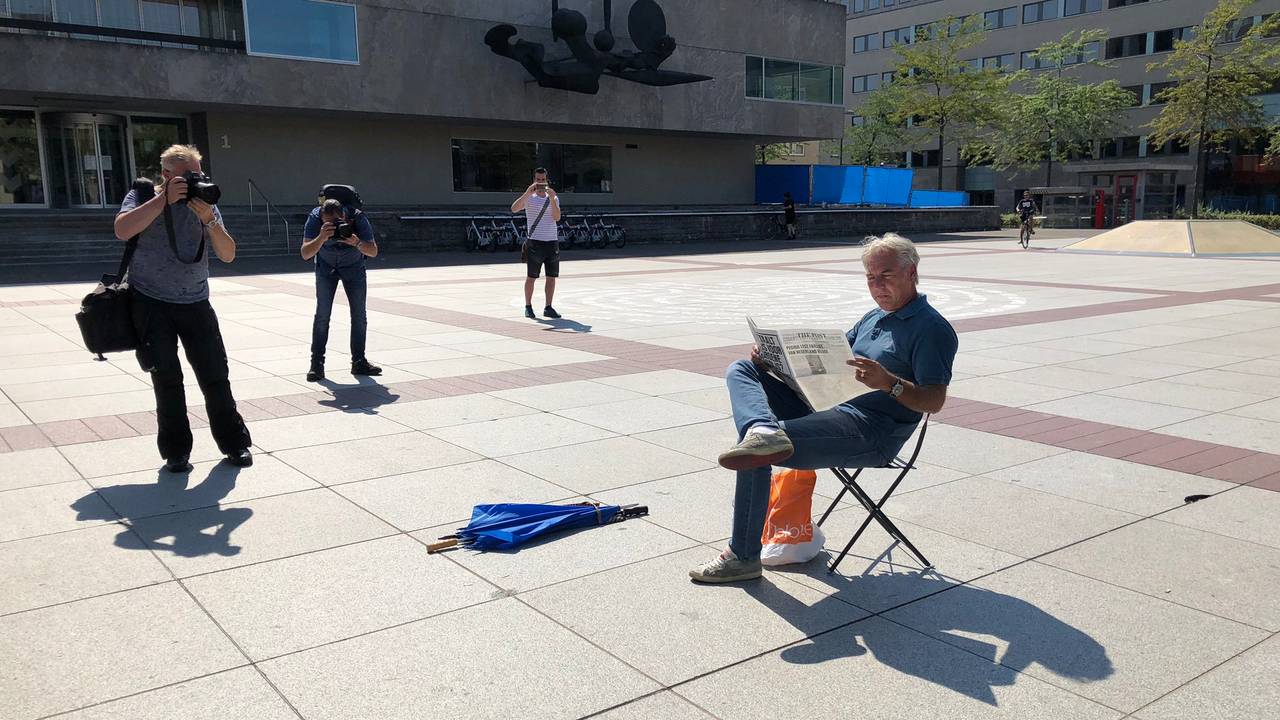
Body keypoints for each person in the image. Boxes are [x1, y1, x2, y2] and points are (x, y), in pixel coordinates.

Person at [690, 233, 958, 583]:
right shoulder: (873, 317)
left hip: (871, 429)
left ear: (912, 272)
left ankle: (742, 556)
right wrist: (775, 362)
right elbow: (835, 360)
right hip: (830, 405)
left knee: (756, 452)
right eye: (870, 278)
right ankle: (762, 427)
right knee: (743, 369)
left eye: (886, 275)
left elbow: (934, 401)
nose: (877, 286)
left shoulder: (931, 329)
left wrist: (888, 382)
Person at [113, 144, 252, 472]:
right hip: (151, 303)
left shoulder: (203, 201)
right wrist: (162, 200)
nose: (194, 180)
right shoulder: (143, 194)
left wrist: (209, 221)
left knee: (216, 377)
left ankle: (235, 444)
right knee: (167, 381)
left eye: (198, 173)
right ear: (166, 174)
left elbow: (229, 254)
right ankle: (176, 452)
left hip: (195, 302)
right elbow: (122, 230)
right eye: (186, 175)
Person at [300, 197, 381, 382]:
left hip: (354, 268)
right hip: (326, 268)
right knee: (322, 315)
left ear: (343, 215)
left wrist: (356, 242)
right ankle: (316, 365)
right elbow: (305, 253)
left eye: (336, 223)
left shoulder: (357, 218)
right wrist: (321, 236)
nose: (333, 227)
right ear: (321, 216)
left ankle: (359, 361)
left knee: (359, 315)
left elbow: (373, 251)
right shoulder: (314, 218)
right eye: (327, 223)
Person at [511, 167, 562, 319]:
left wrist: (552, 199)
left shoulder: (553, 197)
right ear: (534, 180)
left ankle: (548, 307)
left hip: (551, 242)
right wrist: (527, 193)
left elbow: (557, 217)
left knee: (551, 277)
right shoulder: (529, 197)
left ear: (547, 180)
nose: (541, 183)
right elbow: (514, 209)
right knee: (531, 277)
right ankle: (528, 306)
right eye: (538, 180)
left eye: (543, 180)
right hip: (535, 242)